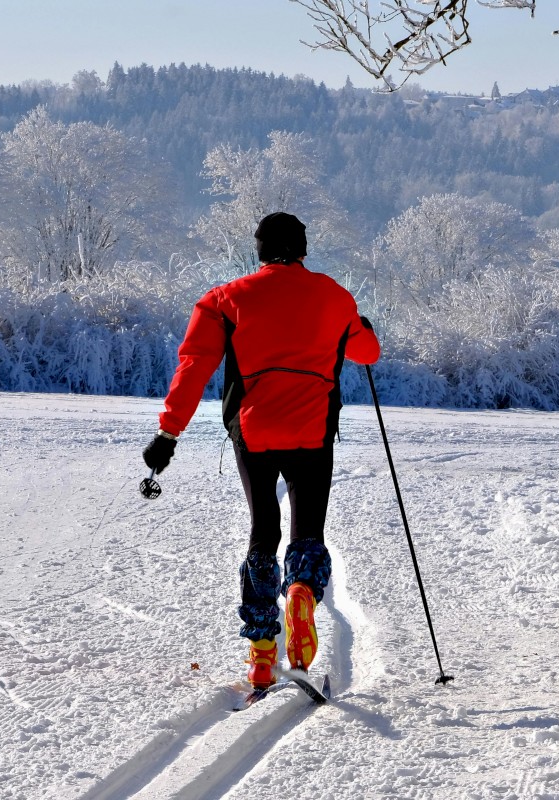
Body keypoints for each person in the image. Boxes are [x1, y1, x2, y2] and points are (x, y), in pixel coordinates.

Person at [142, 211, 380, 689]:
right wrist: (364, 327)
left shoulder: (224, 300)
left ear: (259, 249)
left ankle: (261, 652)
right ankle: (301, 593)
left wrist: (168, 435)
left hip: (253, 432)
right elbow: (367, 353)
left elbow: (193, 366)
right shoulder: (335, 296)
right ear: (303, 249)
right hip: (313, 430)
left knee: (262, 532)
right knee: (308, 531)